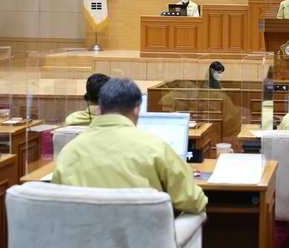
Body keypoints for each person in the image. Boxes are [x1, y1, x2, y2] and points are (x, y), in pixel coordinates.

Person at [52, 78, 208, 214]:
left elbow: (57, 205)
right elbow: (194, 202)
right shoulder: (156, 148)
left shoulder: (69, 152)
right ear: (137, 111)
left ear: (99, 109)